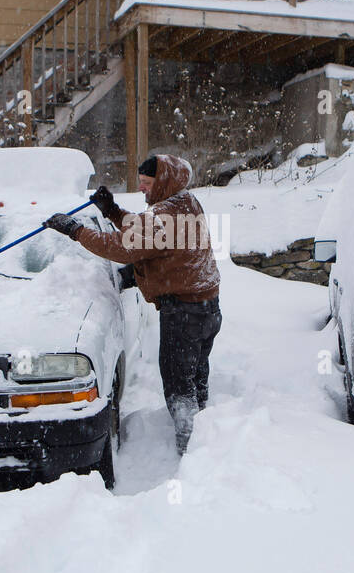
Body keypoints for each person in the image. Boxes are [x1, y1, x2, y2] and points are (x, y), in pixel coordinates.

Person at [44, 154, 221, 455]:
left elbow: (120, 247)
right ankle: (207, 434)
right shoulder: (185, 202)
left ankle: (192, 452)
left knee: (179, 388)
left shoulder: (164, 215)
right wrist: (113, 211)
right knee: (195, 378)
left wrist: (76, 230)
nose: (141, 189)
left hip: (183, 313)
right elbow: (143, 230)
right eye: (139, 182)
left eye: (147, 183)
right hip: (206, 309)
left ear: (163, 182)